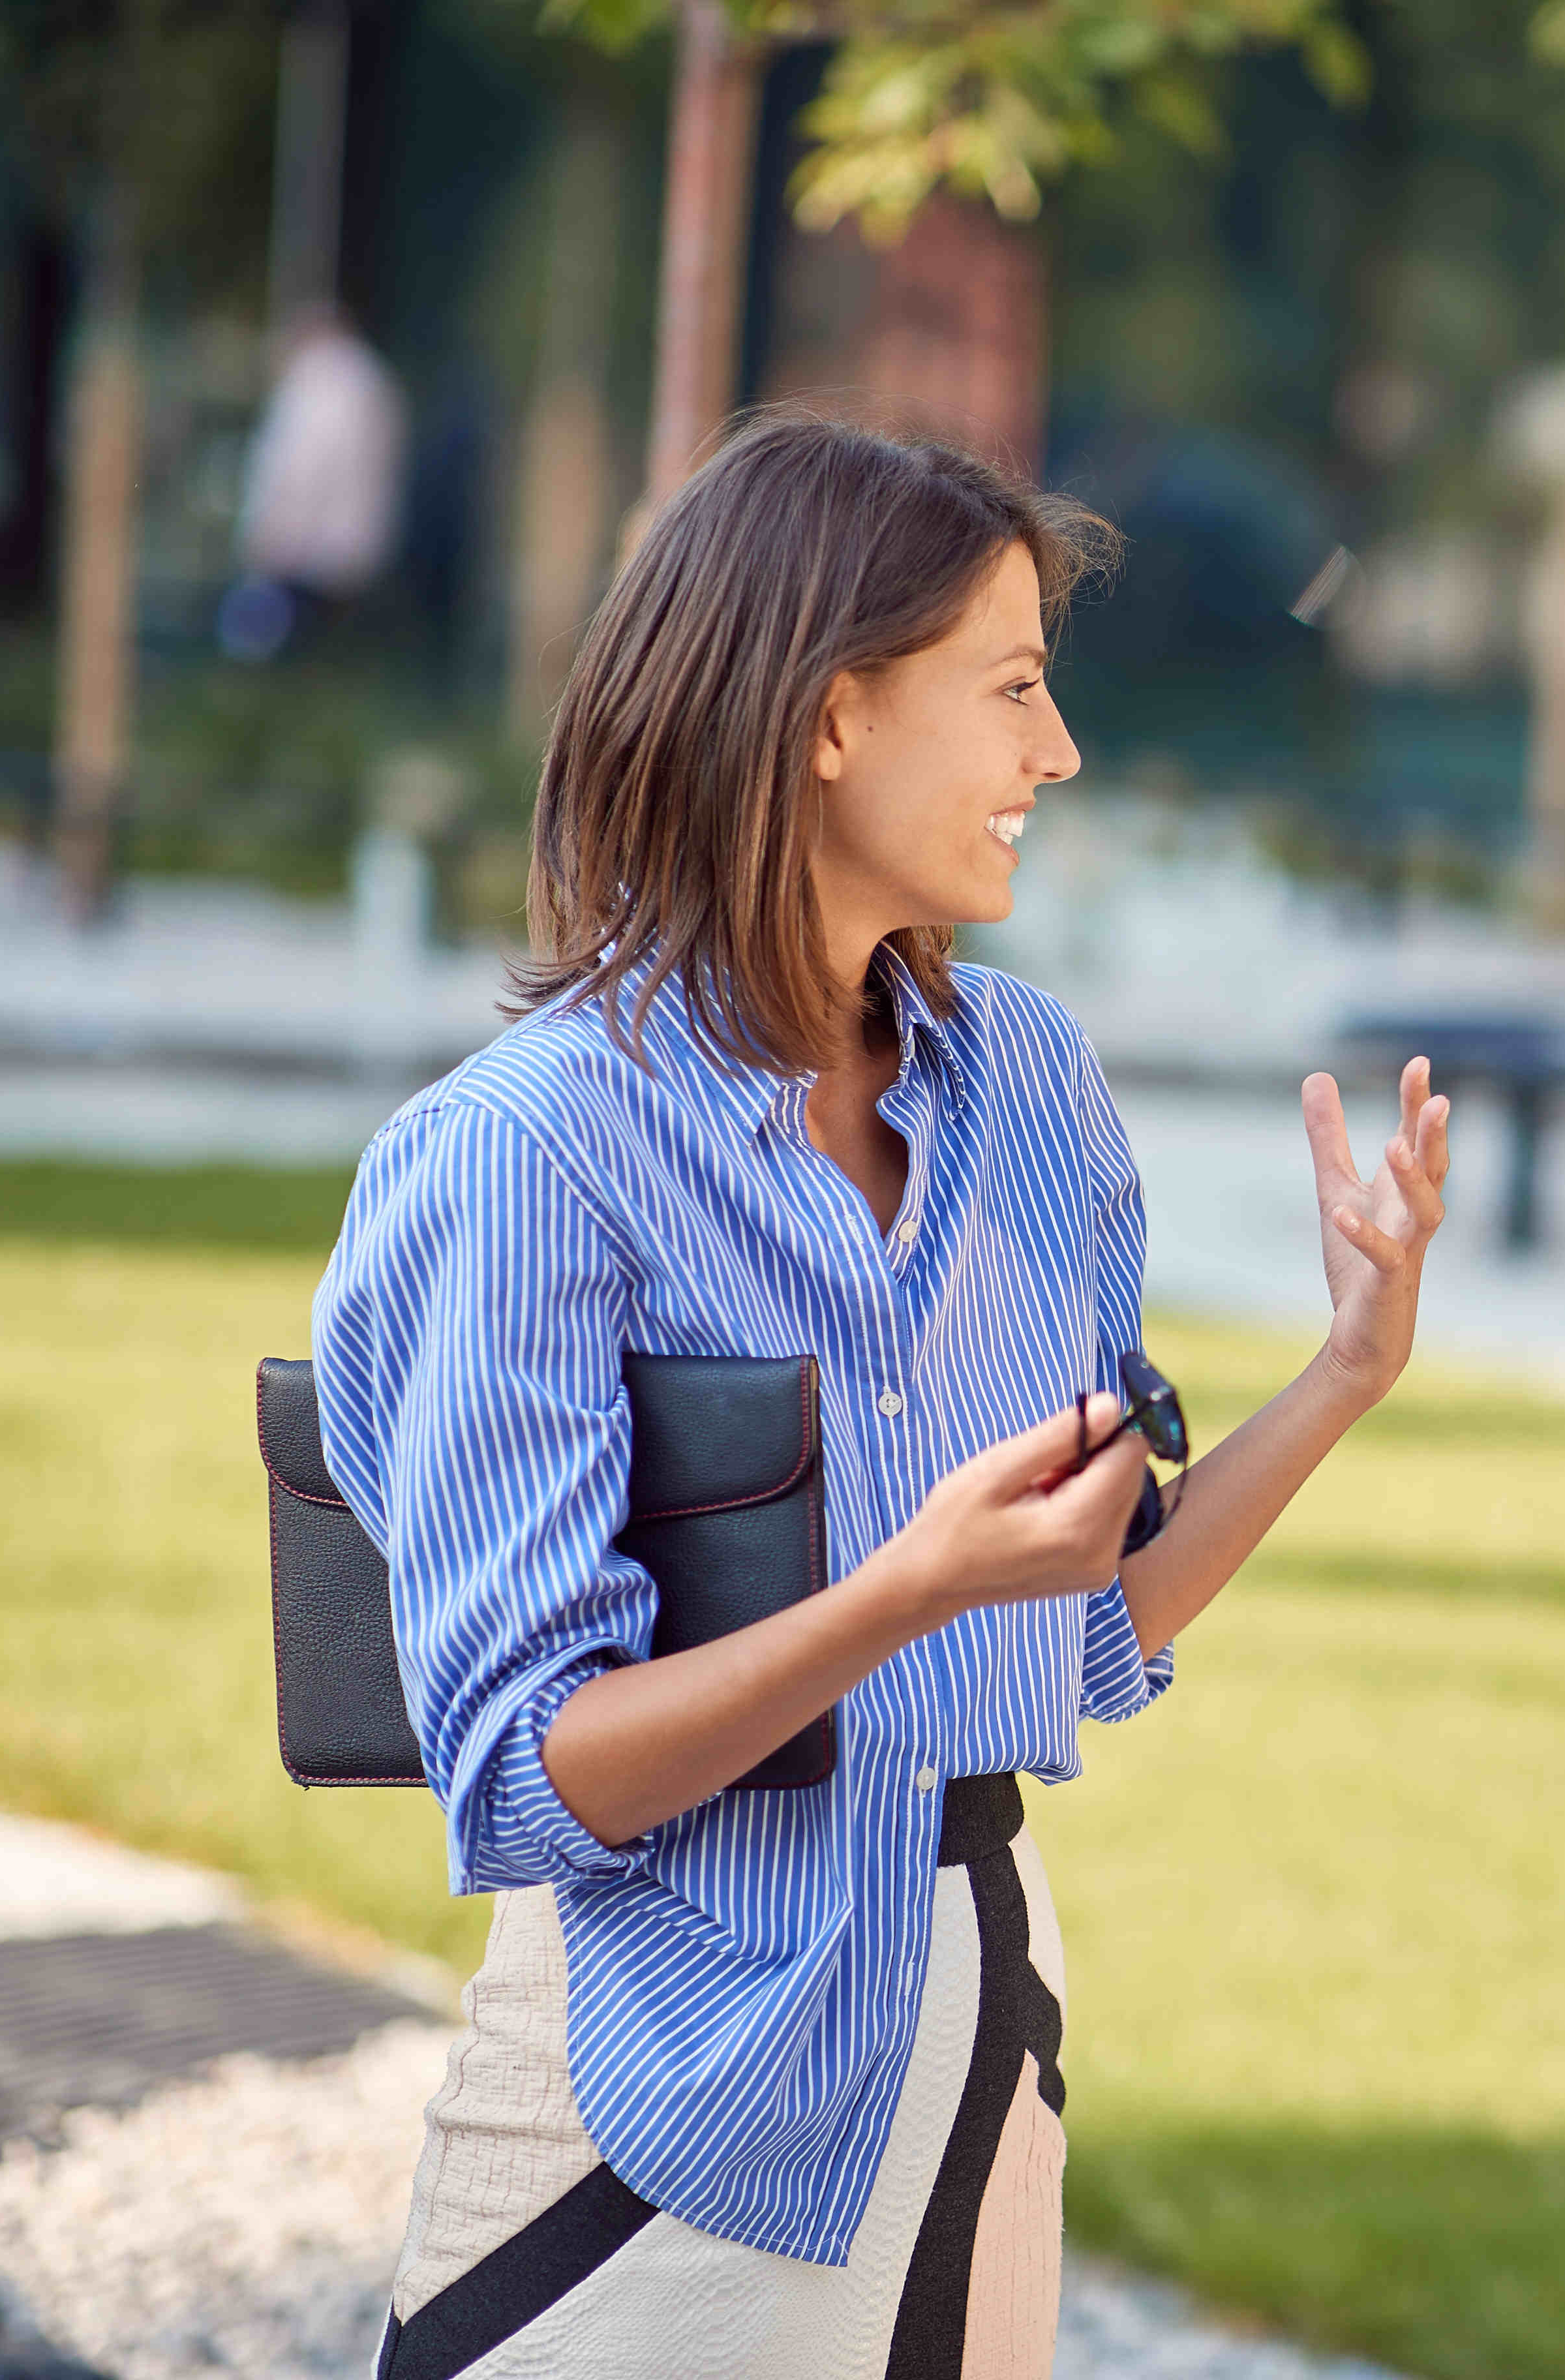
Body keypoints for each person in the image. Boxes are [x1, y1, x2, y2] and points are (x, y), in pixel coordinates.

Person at [311, 412, 1454, 2376]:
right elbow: (523, 1772)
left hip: (980, 2038)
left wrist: (1347, 1371)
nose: (1057, 753)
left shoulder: (1027, 1092)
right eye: (1012, 689)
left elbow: (1087, 1630)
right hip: (660, 2086)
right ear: (832, 714)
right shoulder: (528, 1155)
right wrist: (900, 1590)